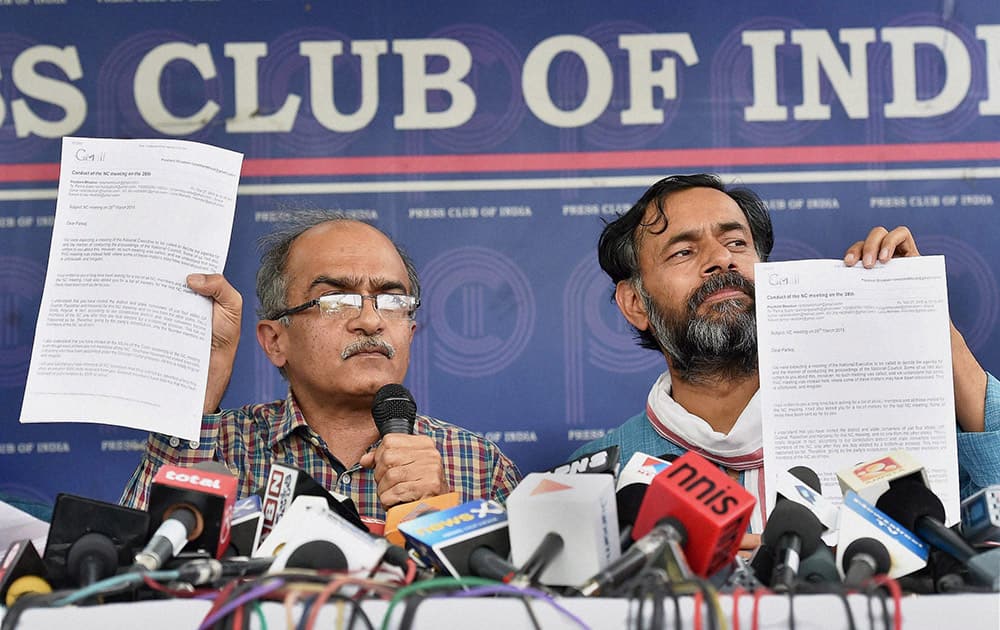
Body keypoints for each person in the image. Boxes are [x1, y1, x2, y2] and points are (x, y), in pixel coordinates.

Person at [570, 173, 1000, 547]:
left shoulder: (887, 439)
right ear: (634, 303)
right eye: (683, 252)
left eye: (737, 242)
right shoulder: (599, 477)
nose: (722, 259)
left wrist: (925, 317)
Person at [121, 213, 521, 529]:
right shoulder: (221, 446)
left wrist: (446, 516)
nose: (370, 320)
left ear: (411, 332)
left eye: (391, 301)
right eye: (335, 300)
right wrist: (199, 397)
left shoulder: (477, 463)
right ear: (276, 340)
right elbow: (138, 574)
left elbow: (528, 607)